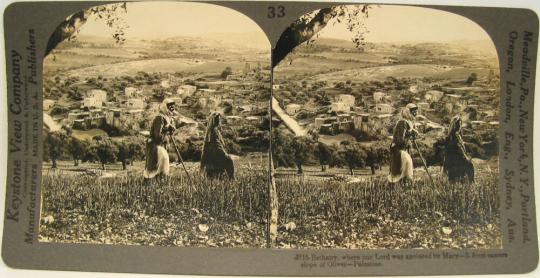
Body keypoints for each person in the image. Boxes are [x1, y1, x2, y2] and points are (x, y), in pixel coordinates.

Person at [143, 99, 176, 180]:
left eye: (173, 105)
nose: (172, 107)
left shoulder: (169, 118)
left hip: (163, 145)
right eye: (169, 105)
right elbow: (157, 135)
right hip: (156, 146)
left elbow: (168, 133)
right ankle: (149, 185)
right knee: (155, 166)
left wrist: (171, 130)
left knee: (162, 166)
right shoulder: (159, 118)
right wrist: (167, 128)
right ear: (165, 107)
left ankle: (160, 183)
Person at [388, 103, 419, 183]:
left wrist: (413, 134)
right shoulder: (402, 122)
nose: (415, 113)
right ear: (408, 112)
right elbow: (399, 140)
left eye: (416, 111)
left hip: (405, 149)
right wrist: (410, 133)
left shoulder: (411, 123)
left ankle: (405, 185)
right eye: (413, 112)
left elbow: (411, 137)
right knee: (402, 168)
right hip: (398, 149)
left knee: (406, 169)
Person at [200, 112, 235, 179]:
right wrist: (225, 154)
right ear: (215, 121)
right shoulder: (213, 132)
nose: (219, 121)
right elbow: (217, 146)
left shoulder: (213, 131)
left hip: (214, 155)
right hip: (215, 155)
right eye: (218, 120)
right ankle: (232, 178)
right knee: (229, 160)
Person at [443, 116, 474, 183]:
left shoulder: (457, 135)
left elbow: (461, 147)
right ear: (453, 126)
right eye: (457, 125)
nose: (459, 127)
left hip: (458, 158)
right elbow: (458, 148)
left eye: (460, 125)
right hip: (456, 159)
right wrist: (466, 157)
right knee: (470, 165)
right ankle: (472, 183)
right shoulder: (452, 136)